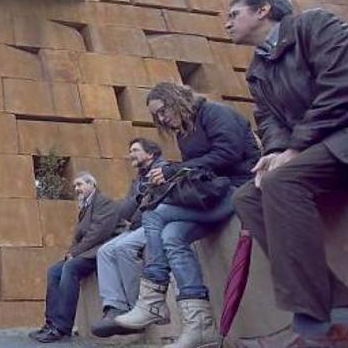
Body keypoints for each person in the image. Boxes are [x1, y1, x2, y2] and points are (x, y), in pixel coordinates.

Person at [224, 0, 348, 345]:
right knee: (247, 197)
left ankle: (313, 320)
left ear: (262, 10)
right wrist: (274, 151)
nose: (226, 24)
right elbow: (269, 120)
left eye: (233, 15)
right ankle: (341, 311)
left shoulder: (315, 26)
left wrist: (296, 146)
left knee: (283, 182)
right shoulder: (257, 70)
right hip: (321, 144)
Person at [114, 83, 260, 348]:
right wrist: (177, 173)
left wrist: (176, 170)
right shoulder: (185, 132)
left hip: (239, 186)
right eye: (155, 115)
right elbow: (198, 170)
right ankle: (200, 326)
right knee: (172, 235)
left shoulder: (215, 113)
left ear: (176, 99)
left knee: (154, 215)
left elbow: (228, 153)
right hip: (214, 192)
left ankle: (153, 297)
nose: (161, 118)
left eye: (163, 110)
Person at [91, 138, 168, 338]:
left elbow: (161, 203)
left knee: (123, 248)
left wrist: (144, 196)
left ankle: (137, 309)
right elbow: (124, 212)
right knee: (105, 251)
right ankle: (114, 308)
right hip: (136, 226)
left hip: (155, 222)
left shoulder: (164, 169)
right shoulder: (139, 179)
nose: (130, 154)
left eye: (135, 150)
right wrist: (137, 196)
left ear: (150, 154)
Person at [30, 172, 119, 343]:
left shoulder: (103, 201)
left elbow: (98, 233)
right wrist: (70, 253)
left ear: (92, 184)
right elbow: (79, 237)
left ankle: (62, 328)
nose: (77, 189)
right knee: (54, 271)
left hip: (103, 250)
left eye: (80, 185)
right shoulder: (85, 206)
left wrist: (75, 253)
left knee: (70, 268)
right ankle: (51, 324)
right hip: (88, 250)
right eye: (75, 186)